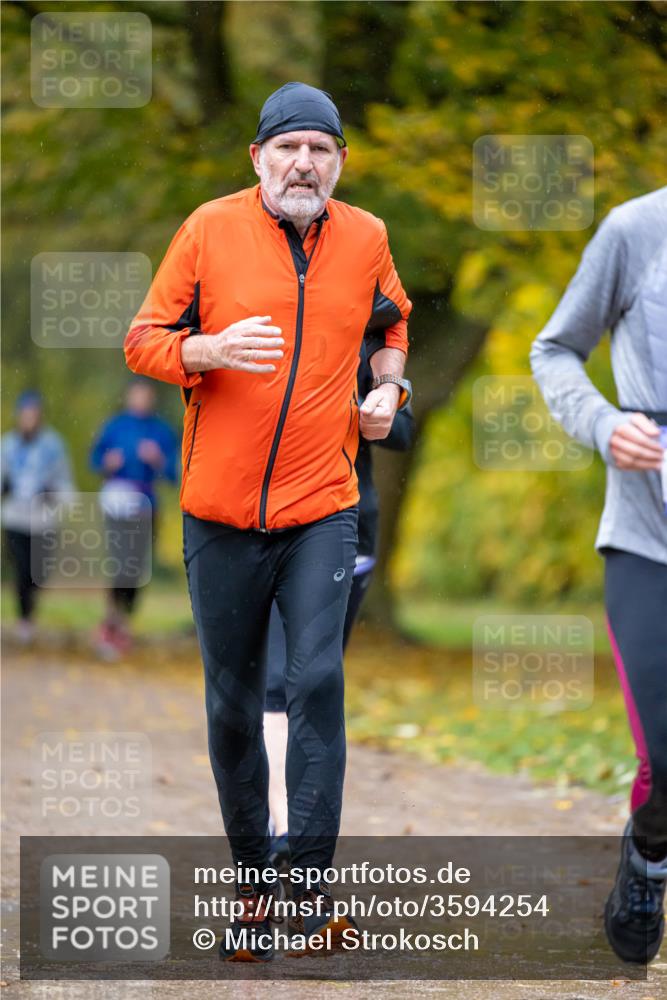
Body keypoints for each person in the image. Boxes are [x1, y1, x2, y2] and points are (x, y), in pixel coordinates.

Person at [124, 81, 412, 961]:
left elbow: (393, 321)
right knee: (231, 706)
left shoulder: (365, 237)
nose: (303, 162)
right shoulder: (208, 229)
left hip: (323, 505)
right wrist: (201, 350)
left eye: (319, 150)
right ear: (257, 158)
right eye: (288, 147)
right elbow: (142, 338)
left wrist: (387, 387)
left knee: (317, 683)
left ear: (338, 164)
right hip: (217, 515)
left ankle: (311, 891)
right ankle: (255, 888)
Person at [530, 186, 667, 965]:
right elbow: (552, 349)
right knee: (663, 753)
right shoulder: (634, 230)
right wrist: (605, 423)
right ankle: (647, 859)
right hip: (647, 534)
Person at [264, 344, 415, 870]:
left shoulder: (370, 351)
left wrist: (371, 408)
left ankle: (296, 823)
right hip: (267, 529)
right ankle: (283, 826)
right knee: (276, 682)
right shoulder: (264, 335)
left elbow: (403, 432)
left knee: (315, 681)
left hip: (350, 530)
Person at [90, 377, 178, 657]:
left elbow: (176, 474)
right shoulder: (115, 426)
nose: (141, 399)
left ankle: (123, 619)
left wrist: (158, 461)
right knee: (120, 561)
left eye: (146, 395)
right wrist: (107, 463)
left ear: (152, 398)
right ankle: (112, 620)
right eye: (136, 394)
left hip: (146, 504)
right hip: (117, 501)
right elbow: (95, 459)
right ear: (129, 397)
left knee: (137, 565)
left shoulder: (161, 431)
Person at [1, 390, 74, 643]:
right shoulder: (7, 445)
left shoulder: (53, 446)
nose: (29, 419)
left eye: (34, 414)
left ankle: (30, 609)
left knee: (39, 572)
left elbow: (65, 482)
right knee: (22, 568)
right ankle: (25, 620)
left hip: (44, 519)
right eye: (25, 414)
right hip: (15, 518)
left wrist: (53, 494)